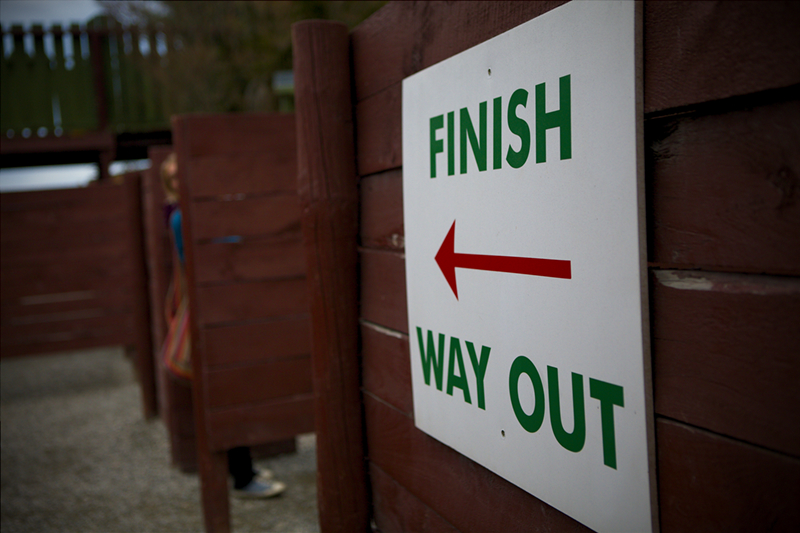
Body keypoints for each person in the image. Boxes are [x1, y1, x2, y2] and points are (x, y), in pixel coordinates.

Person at [160, 153, 286, 499]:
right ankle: (242, 477)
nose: (180, 181)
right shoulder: (182, 218)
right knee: (225, 391)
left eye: (181, 174)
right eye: (173, 178)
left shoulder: (205, 211)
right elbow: (209, 261)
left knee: (236, 388)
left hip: (231, 309)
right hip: (214, 313)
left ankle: (243, 470)